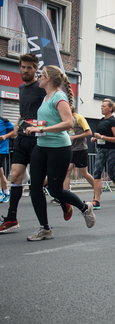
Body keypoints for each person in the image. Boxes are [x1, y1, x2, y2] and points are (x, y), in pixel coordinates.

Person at [23, 65, 95, 240]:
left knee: (55, 190)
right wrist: (34, 128)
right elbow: (47, 122)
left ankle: (85, 207)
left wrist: (44, 128)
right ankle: (45, 228)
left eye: (42, 74)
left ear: (49, 78)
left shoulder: (59, 97)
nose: (39, 76)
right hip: (41, 146)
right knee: (35, 188)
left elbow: (69, 123)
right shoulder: (46, 97)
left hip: (59, 149)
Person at [0, 54, 47, 233]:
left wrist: (41, 127)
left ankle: (61, 198)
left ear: (36, 69)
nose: (25, 70)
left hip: (38, 139)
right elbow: (24, 112)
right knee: (15, 176)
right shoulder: (20, 88)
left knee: (38, 182)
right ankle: (12, 217)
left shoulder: (42, 88)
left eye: (29, 67)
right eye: (23, 67)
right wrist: (16, 127)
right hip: (21, 137)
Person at [90, 99, 115, 209]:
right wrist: (95, 138)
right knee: (97, 173)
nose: (101, 108)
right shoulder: (102, 120)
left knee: (112, 175)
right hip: (101, 149)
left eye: (104, 106)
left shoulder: (113, 121)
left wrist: (101, 137)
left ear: (110, 108)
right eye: (101, 106)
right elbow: (101, 135)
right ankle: (96, 200)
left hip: (112, 150)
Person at [63, 106, 94, 191]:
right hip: (70, 149)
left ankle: (97, 188)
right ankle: (65, 195)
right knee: (67, 171)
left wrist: (75, 137)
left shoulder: (79, 118)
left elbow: (89, 132)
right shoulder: (66, 118)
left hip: (80, 149)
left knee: (84, 173)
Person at [0, 117, 14, 203]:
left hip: (1, 150)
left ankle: (3, 192)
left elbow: (15, 131)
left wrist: (5, 136)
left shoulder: (4, 121)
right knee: (1, 174)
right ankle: (6, 192)